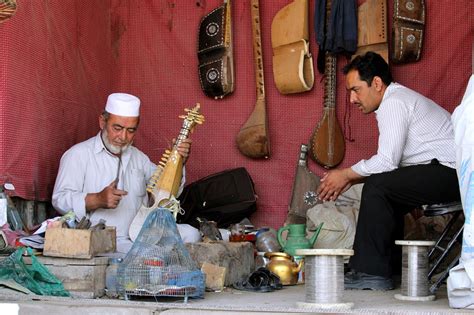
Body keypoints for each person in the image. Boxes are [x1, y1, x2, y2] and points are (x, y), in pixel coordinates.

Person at [316, 52, 461, 290]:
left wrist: (346, 174)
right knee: (385, 188)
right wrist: (352, 177)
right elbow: (389, 165)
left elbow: (386, 162)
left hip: (451, 172)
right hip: (446, 172)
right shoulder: (395, 100)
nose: (352, 99)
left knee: (378, 186)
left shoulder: (394, 102)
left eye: (356, 90)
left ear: (376, 83)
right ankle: (386, 270)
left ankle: (370, 272)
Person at [52, 93, 199, 254]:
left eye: (130, 130)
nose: (123, 137)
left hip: (144, 233)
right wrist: (96, 199)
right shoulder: (78, 155)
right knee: (144, 255)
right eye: (117, 128)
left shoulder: (139, 157)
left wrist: (178, 162)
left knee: (192, 234)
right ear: (102, 122)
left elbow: (167, 194)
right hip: (109, 239)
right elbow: (59, 199)